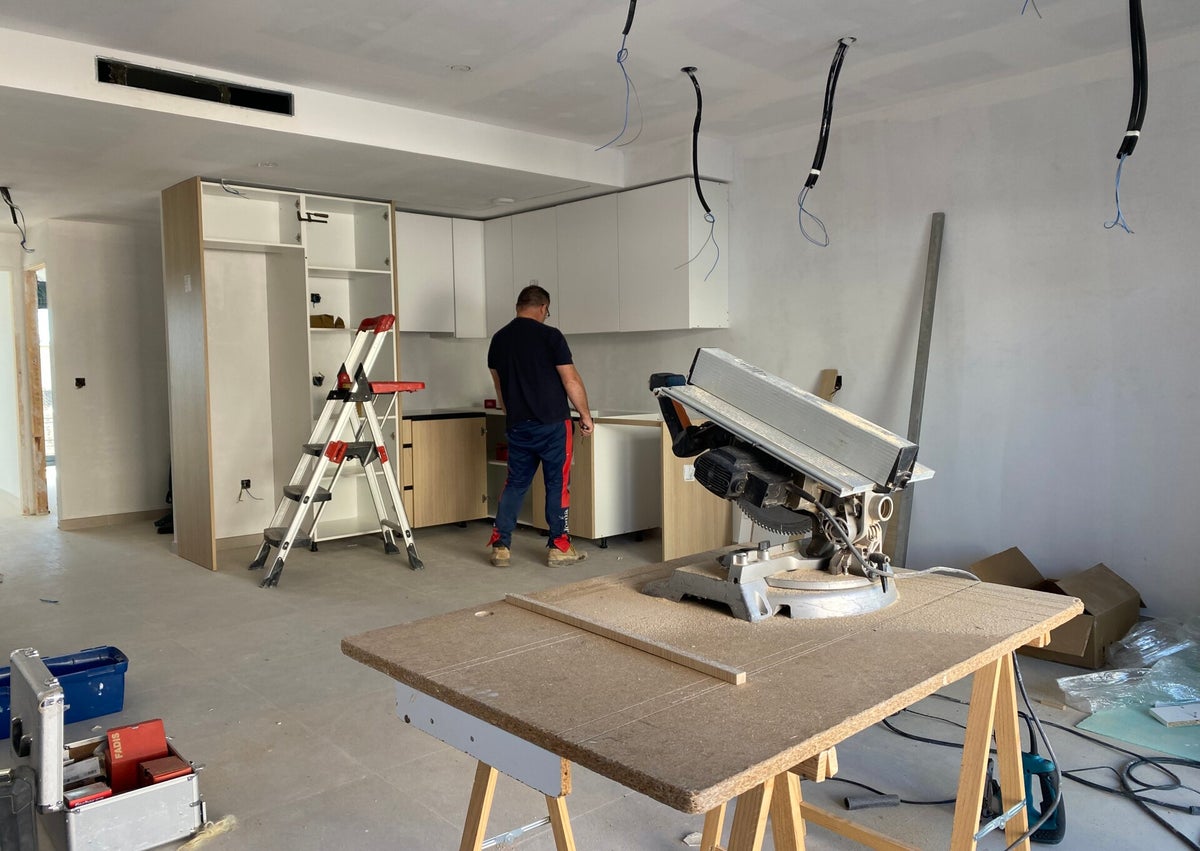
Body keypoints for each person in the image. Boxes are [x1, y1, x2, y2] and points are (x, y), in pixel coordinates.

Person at [487, 285, 594, 567]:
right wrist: (585, 415)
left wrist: (512, 414)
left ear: (518, 306)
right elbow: (570, 380)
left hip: (518, 424)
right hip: (553, 425)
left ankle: (500, 546)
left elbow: (499, 387)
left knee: (515, 483)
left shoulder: (499, 339)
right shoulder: (550, 336)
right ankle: (559, 547)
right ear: (543, 307)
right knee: (557, 484)